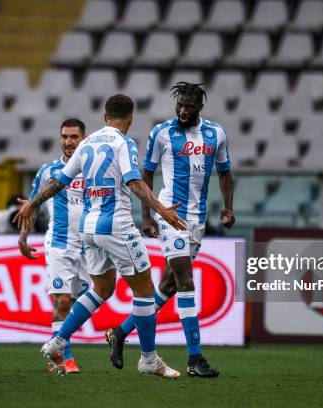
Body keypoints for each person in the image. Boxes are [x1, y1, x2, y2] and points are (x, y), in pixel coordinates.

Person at [13, 94, 187, 378]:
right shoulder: (124, 142)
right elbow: (134, 181)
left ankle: (58, 341)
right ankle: (148, 358)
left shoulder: (87, 143)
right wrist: (161, 210)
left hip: (88, 229)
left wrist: (34, 202)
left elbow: (60, 182)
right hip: (117, 226)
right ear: (130, 118)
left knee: (102, 289)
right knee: (144, 290)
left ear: (105, 116)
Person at [106, 82, 235, 378]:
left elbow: (225, 172)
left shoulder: (216, 134)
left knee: (168, 287)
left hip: (197, 219)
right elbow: (146, 173)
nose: (183, 110)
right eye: (180, 105)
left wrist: (228, 207)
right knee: (186, 280)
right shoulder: (162, 132)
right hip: (170, 214)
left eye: (189, 106)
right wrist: (148, 216)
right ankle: (195, 358)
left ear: (200, 107)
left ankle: (120, 332)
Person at [18, 118, 89, 374]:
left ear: (84, 138)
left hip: (90, 247)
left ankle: (56, 347)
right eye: (65, 137)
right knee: (61, 301)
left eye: (74, 137)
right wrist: (23, 238)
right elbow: (32, 206)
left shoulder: (94, 170)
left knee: (83, 301)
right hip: (59, 244)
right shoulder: (48, 171)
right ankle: (63, 357)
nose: (69, 142)